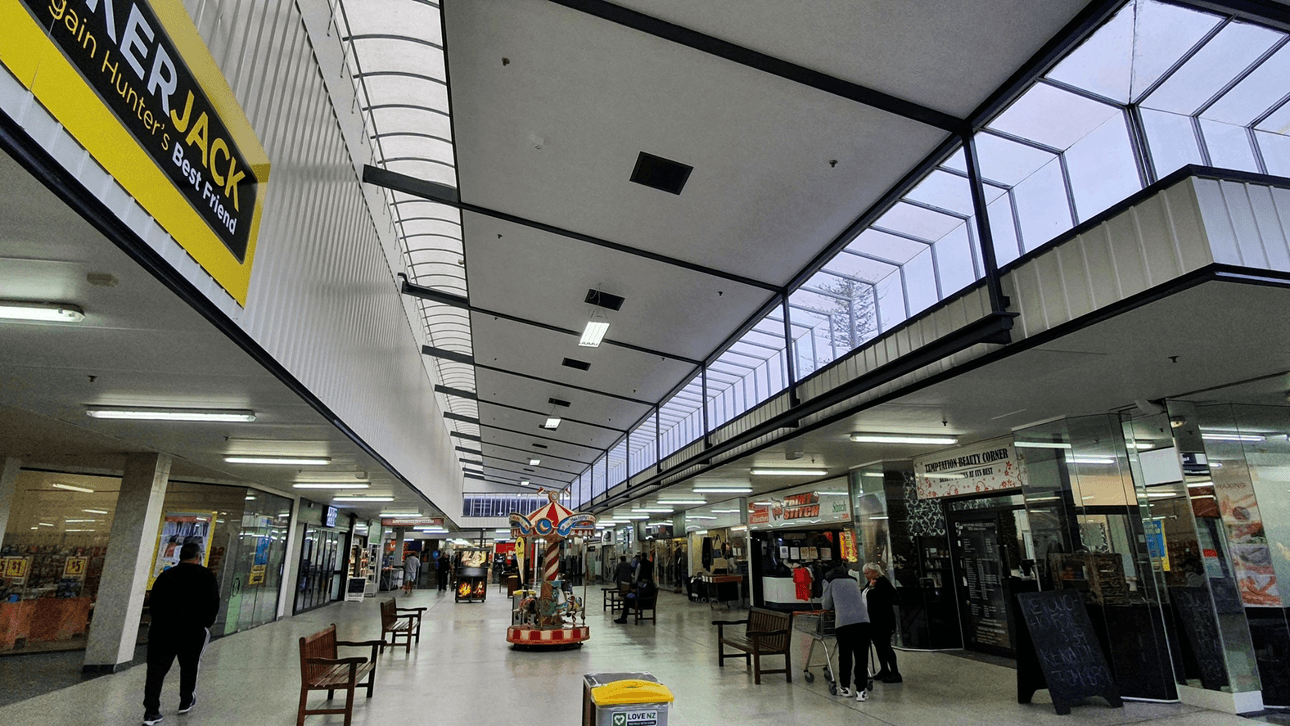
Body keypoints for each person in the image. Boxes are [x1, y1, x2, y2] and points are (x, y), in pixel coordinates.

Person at [142, 542, 220, 725]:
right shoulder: (206, 576)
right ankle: (186, 700)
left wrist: (160, 622)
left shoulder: (165, 576)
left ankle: (151, 712)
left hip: (162, 630)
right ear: (197, 557)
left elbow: (153, 604)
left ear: (180, 557)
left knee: (156, 671)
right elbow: (213, 604)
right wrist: (205, 624)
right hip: (192, 631)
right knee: (190, 666)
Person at [822, 564, 870, 702]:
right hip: (863, 621)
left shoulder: (829, 581)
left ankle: (845, 687)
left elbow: (826, 605)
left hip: (844, 622)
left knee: (845, 655)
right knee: (861, 656)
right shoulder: (853, 580)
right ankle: (861, 691)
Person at [863, 562, 902, 683]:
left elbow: (885, 599)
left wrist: (873, 589)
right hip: (873, 621)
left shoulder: (882, 583)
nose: (865, 575)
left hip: (883, 621)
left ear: (875, 572)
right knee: (879, 646)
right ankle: (884, 669)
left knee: (885, 646)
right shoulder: (871, 583)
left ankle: (895, 672)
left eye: (867, 573)